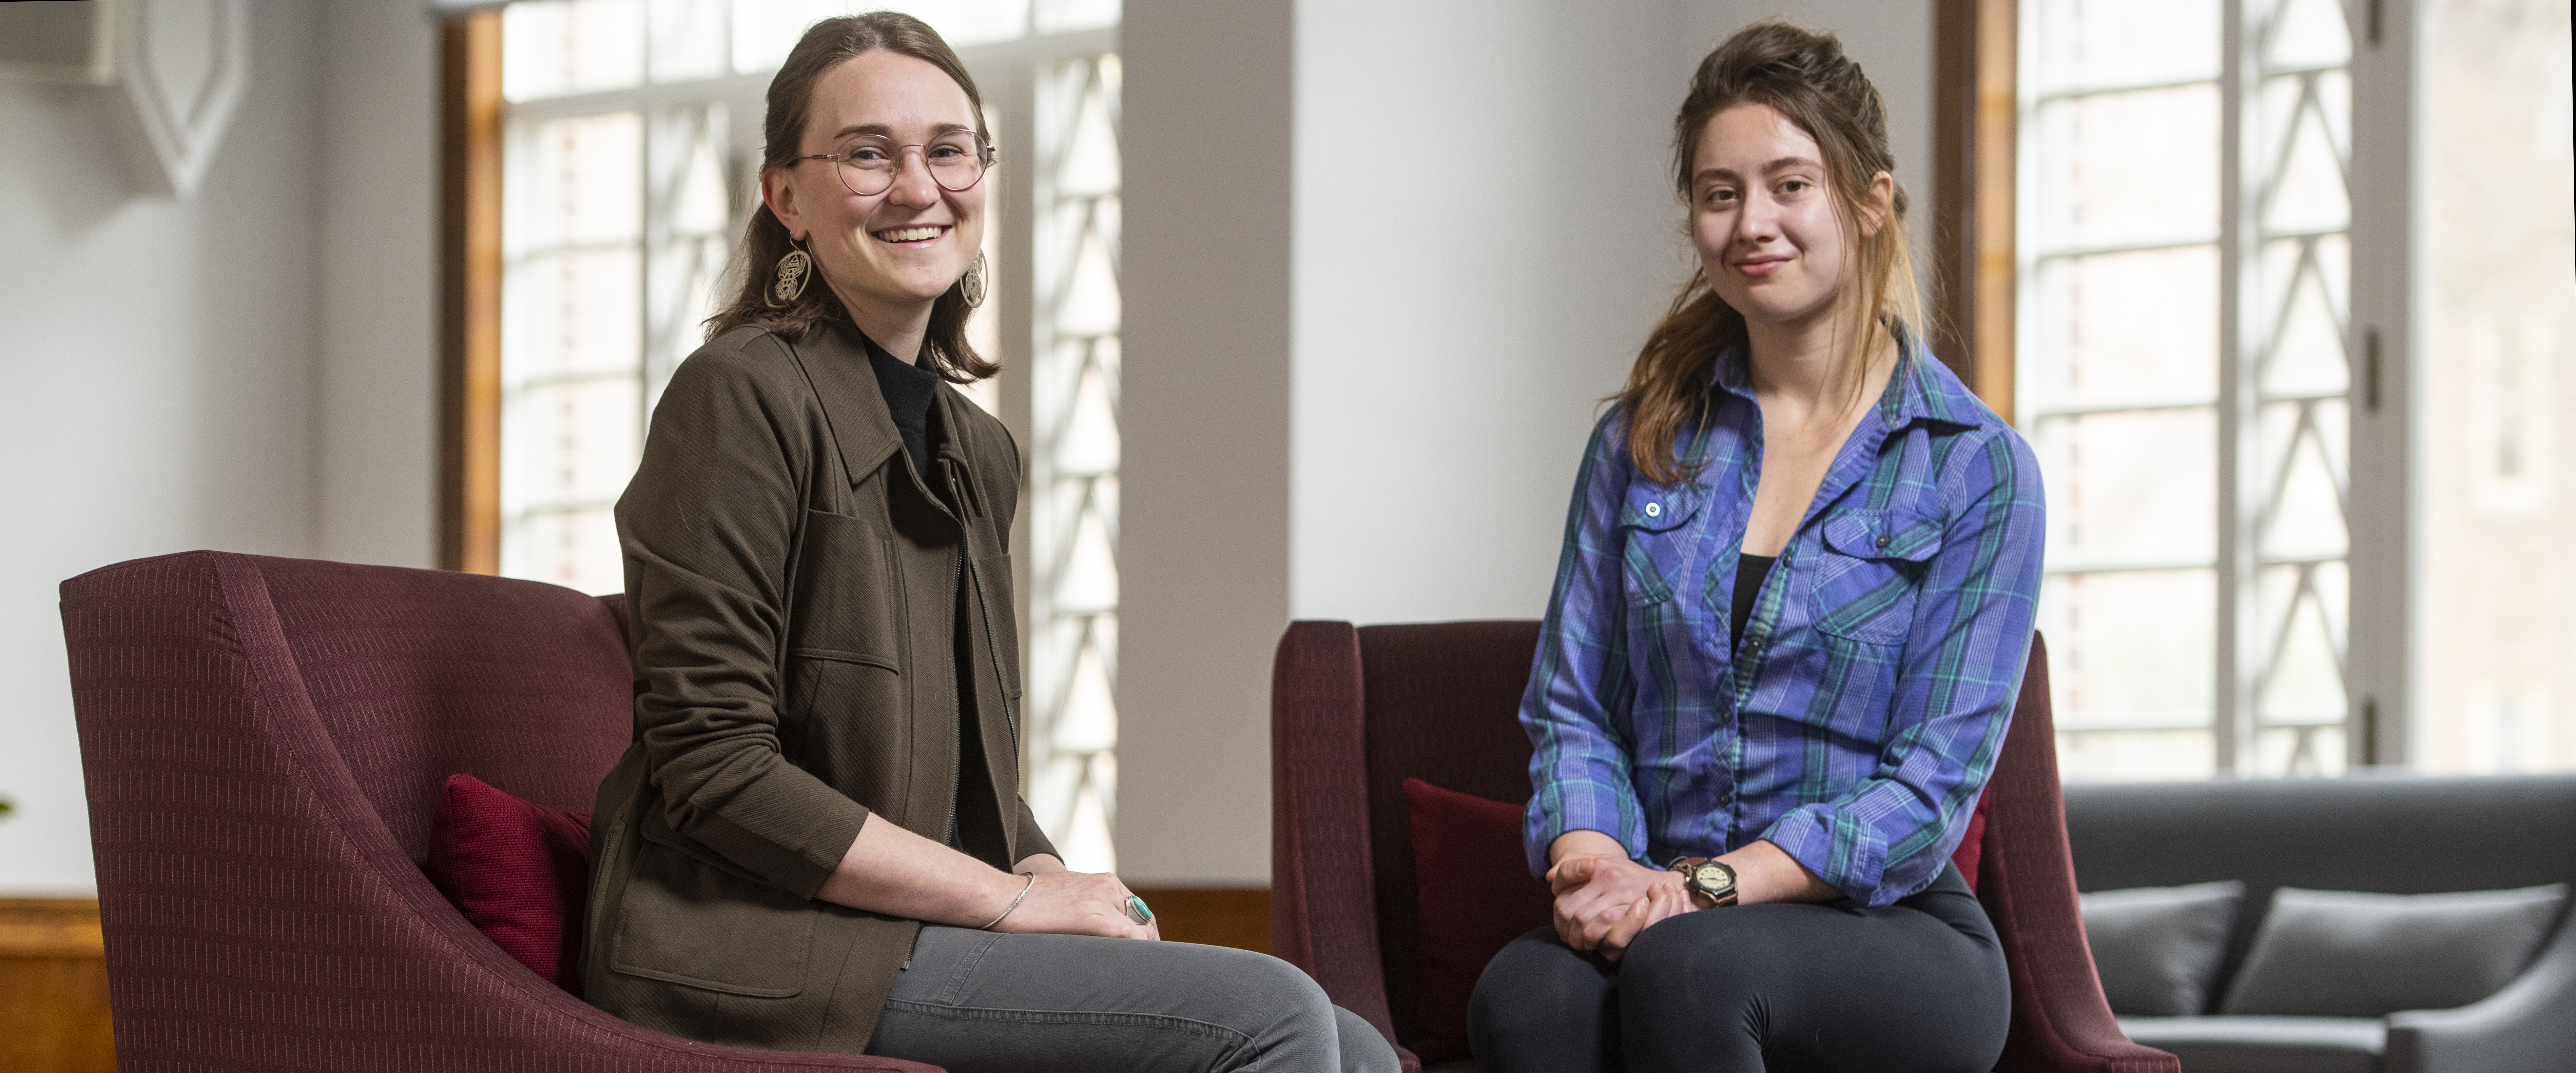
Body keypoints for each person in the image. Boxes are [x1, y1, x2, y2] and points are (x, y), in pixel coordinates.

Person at [580, 14, 1397, 1072]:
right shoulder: (736, 397)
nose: (918, 187)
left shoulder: (976, 446)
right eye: (867, 153)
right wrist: (1013, 902)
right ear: (785, 197)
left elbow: (973, 768)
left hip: (901, 930)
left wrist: (1059, 881)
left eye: (949, 149)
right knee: (1274, 1014)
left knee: (1355, 1044)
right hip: (745, 948)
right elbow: (717, 771)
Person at [1468, 20, 2045, 1073]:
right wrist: (1595, 860)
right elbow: (1573, 704)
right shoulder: (1639, 439)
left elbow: (1929, 789)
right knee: (1528, 996)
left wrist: (1705, 888)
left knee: (1696, 969)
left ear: (1868, 203)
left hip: (1888, 926)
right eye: (1718, 192)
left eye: (1790, 185)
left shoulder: (1975, 467)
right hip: (1659, 896)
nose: (1751, 224)